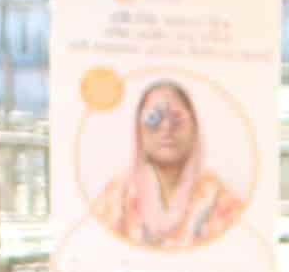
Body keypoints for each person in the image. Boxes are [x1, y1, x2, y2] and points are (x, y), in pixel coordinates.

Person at [98, 78, 247, 251]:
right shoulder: (116, 198)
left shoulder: (221, 201)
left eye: (177, 119)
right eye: (153, 118)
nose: (166, 128)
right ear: (138, 131)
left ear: (194, 129)